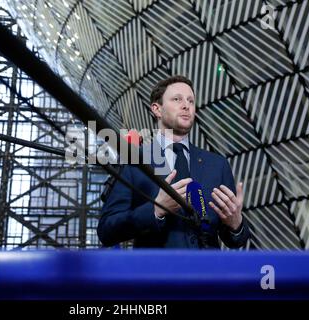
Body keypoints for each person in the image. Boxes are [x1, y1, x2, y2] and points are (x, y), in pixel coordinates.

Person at [97, 75, 250, 248]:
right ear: (157, 109)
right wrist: (156, 210)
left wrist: (236, 224)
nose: (186, 105)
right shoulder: (135, 161)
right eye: (177, 99)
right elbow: (106, 231)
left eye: (191, 101)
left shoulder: (217, 165)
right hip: (158, 273)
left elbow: (236, 240)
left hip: (207, 273)